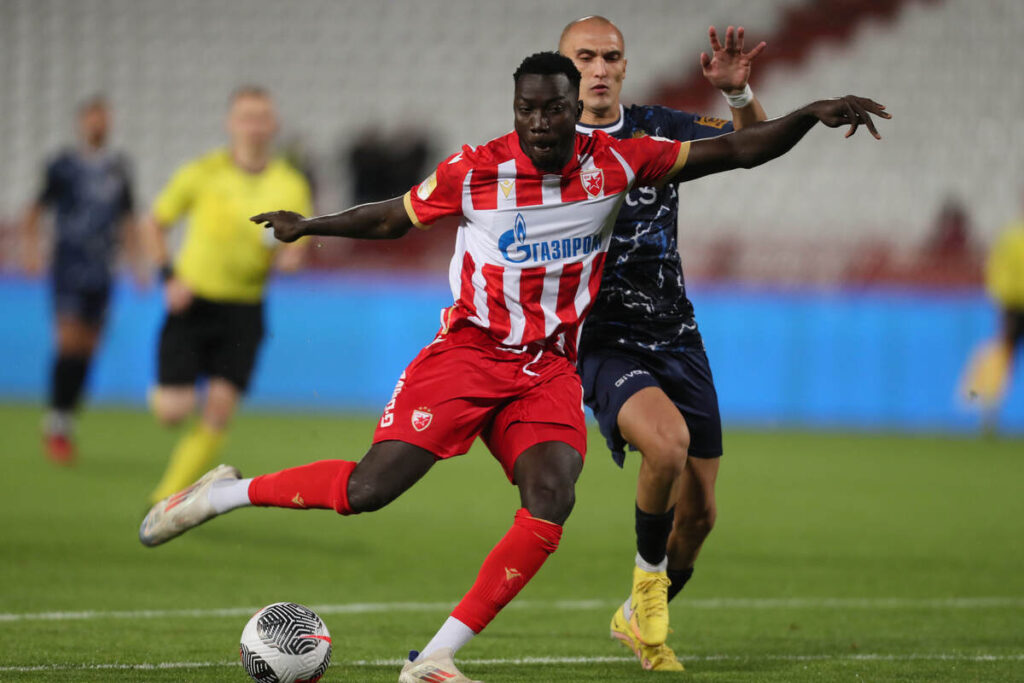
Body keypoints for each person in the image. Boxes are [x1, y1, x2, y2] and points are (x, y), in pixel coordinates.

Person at [138, 52, 889, 683]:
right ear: (516, 108)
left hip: (549, 368)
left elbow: (737, 151)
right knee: (370, 490)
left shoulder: (619, 162)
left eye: (553, 109)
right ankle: (223, 493)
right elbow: (395, 215)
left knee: (552, 496)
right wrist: (312, 226)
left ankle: (433, 659)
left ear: (574, 110)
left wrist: (809, 112)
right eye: (526, 109)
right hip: (467, 355)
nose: (538, 122)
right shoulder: (477, 169)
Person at [559, 16, 769, 670]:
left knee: (701, 516)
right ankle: (647, 584)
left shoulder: (659, 127)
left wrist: (736, 94)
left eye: (610, 57)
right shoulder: (543, 147)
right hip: (605, 341)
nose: (598, 68)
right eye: (584, 57)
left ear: (625, 65)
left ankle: (635, 613)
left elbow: (751, 142)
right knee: (668, 442)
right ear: (564, 69)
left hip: (679, 334)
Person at [141, 86, 312, 504]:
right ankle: (168, 403)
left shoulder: (289, 184)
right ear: (230, 123)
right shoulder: (202, 172)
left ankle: (166, 498)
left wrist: (288, 258)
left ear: (273, 125)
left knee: (219, 409)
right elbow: (154, 223)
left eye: (261, 118)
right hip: (193, 301)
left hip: (245, 307)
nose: (253, 126)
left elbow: (297, 251)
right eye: (245, 117)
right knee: (172, 411)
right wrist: (168, 277)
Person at [20, 95, 142, 464]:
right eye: (92, 117)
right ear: (81, 122)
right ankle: (57, 421)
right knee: (69, 343)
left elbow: (127, 217)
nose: (98, 124)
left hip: (102, 270)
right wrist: (31, 251)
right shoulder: (63, 165)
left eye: (103, 117)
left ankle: (66, 419)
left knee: (89, 349)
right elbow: (35, 210)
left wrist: (137, 263)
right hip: (69, 267)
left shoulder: (119, 167)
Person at [961, 200, 1024, 428]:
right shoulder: (1010, 238)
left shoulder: (1011, 237)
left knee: (1003, 357)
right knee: (1002, 358)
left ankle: (986, 407)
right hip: (1014, 306)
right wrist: (1003, 299)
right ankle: (987, 409)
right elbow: (997, 270)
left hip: (1012, 306)